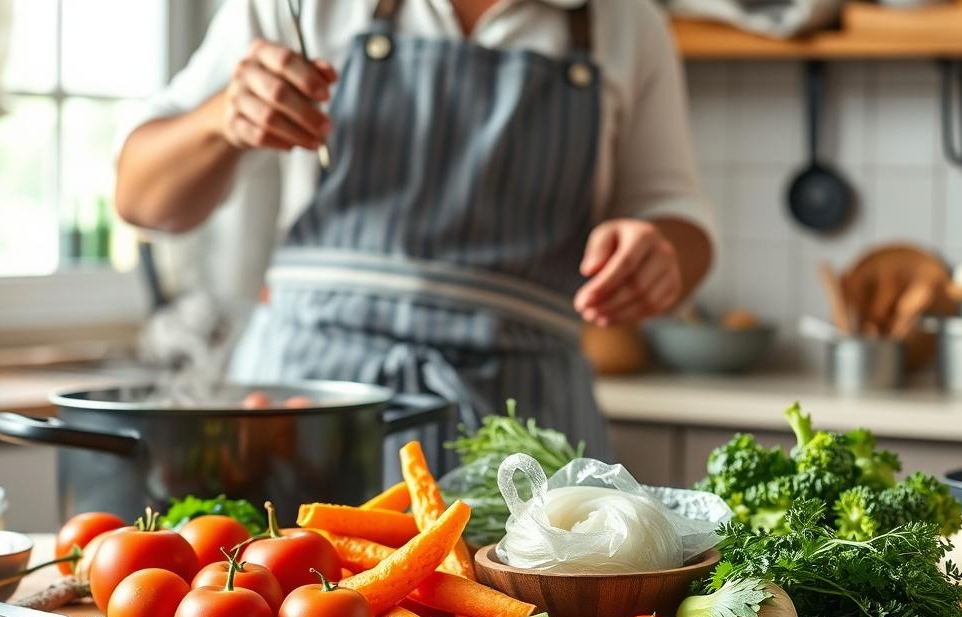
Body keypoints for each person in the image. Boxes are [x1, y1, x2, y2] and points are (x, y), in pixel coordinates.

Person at [116, 0, 715, 459]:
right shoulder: (302, 6)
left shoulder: (627, 22)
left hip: (525, 427)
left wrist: (659, 251)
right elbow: (141, 197)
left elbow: (679, 220)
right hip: (311, 408)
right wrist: (223, 117)